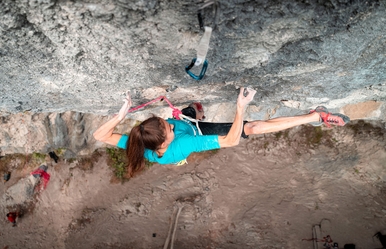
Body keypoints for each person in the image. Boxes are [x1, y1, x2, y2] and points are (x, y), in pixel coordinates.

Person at [93, 88, 350, 177]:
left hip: (189, 122)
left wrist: (120, 115)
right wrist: (240, 108)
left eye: (164, 122)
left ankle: (196, 112)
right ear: (164, 142)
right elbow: (230, 141)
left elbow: (100, 136)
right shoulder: (183, 146)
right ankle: (315, 116)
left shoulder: (139, 141)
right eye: (168, 129)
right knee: (252, 127)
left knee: (190, 110)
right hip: (194, 133)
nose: (169, 124)